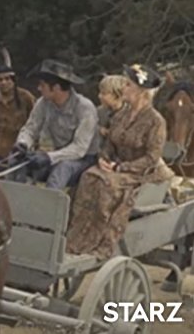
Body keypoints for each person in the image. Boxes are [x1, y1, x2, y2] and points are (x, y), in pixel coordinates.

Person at [66, 64, 174, 259]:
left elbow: (152, 157)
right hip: (117, 169)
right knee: (88, 177)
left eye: (128, 85)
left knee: (108, 184)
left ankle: (104, 243)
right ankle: (78, 239)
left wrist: (120, 167)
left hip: (144, 173)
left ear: (141, 92)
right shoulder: (121, 115)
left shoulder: (155, 121)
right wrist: (104, 158)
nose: (123, 88)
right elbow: (109, 144)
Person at [11, 59, 99, 189]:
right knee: (17, 163)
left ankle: (49, 207)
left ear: (56, 88)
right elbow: (31, 129)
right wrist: (22, 144)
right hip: (58, 155)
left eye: (42, 85)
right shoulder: (43, 103)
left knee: (60, 171)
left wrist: (48, 156)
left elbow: (79, 149)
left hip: (84, 159)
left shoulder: (85, 108)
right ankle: (13, 202)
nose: (38, 88)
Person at [0, 65, 35, 168]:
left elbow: (34, 123)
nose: (3, 83)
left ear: (13, 80)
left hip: (17, 149)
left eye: (7, 79)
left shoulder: (25, 97)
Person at [97, 75, 126, 141]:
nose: (99, 96)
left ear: (117, 95)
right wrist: (99, 130)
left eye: (104, 93)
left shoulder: (130, 115)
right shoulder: (99, 112)